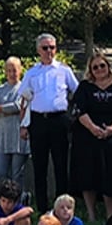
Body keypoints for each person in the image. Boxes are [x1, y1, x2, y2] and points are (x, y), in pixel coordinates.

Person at [69, 50, 112, 223]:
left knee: (111, 175)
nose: (99, 69)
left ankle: (110, 215)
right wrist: (93, 128)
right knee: (87, 175)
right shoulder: (85, 87)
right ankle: (91, 215)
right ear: (90, 70)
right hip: (87, 137)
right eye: (95, 67)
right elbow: (78, 110)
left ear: (108, 66)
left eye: (102, 65)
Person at [22, 33, 78, 210]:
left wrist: (74, 116)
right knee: (40, 166)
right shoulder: (31, 73)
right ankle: (42, 208)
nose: (49, 51)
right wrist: (24, 125)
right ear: (38, 50)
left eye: (52, 47)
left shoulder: (64, 70)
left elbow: (77, 92)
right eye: (45, 48)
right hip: (38, 121)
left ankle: (63, 208)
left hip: (59, 120)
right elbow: (24, 98)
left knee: (61, 165)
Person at [0, 54, 32, 196]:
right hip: (3, 137)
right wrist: (3, 109)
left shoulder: (24, 88)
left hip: (19, 137)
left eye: (15, 70)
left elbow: (18, 106)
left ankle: (19, 201)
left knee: (16, 174)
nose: (12, 73)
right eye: (9, 70)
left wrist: (0, 108)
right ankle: (6, 199)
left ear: (20, 70)